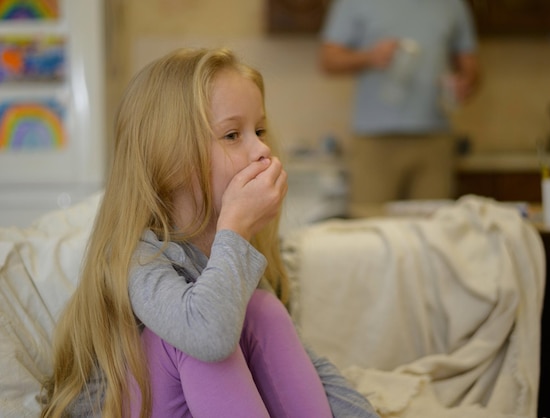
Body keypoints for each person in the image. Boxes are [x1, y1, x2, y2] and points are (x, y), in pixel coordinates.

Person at [40, 47, 378, 418]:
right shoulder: (139, 256)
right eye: (233, 134)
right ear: (170, 160)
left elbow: (310, 367)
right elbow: (207, 336)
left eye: (259, 130)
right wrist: (236, 228)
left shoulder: (232, 264)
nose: (262, 148)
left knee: (262, 308)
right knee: (199, 335)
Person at [319, 0, 480, 215]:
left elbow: (471, 68)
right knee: (370, 226)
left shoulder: (453, 5)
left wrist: (465, 84)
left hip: (434, 139)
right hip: (374, 140)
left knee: (434, 233)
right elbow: (328, 60)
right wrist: (370, 57)